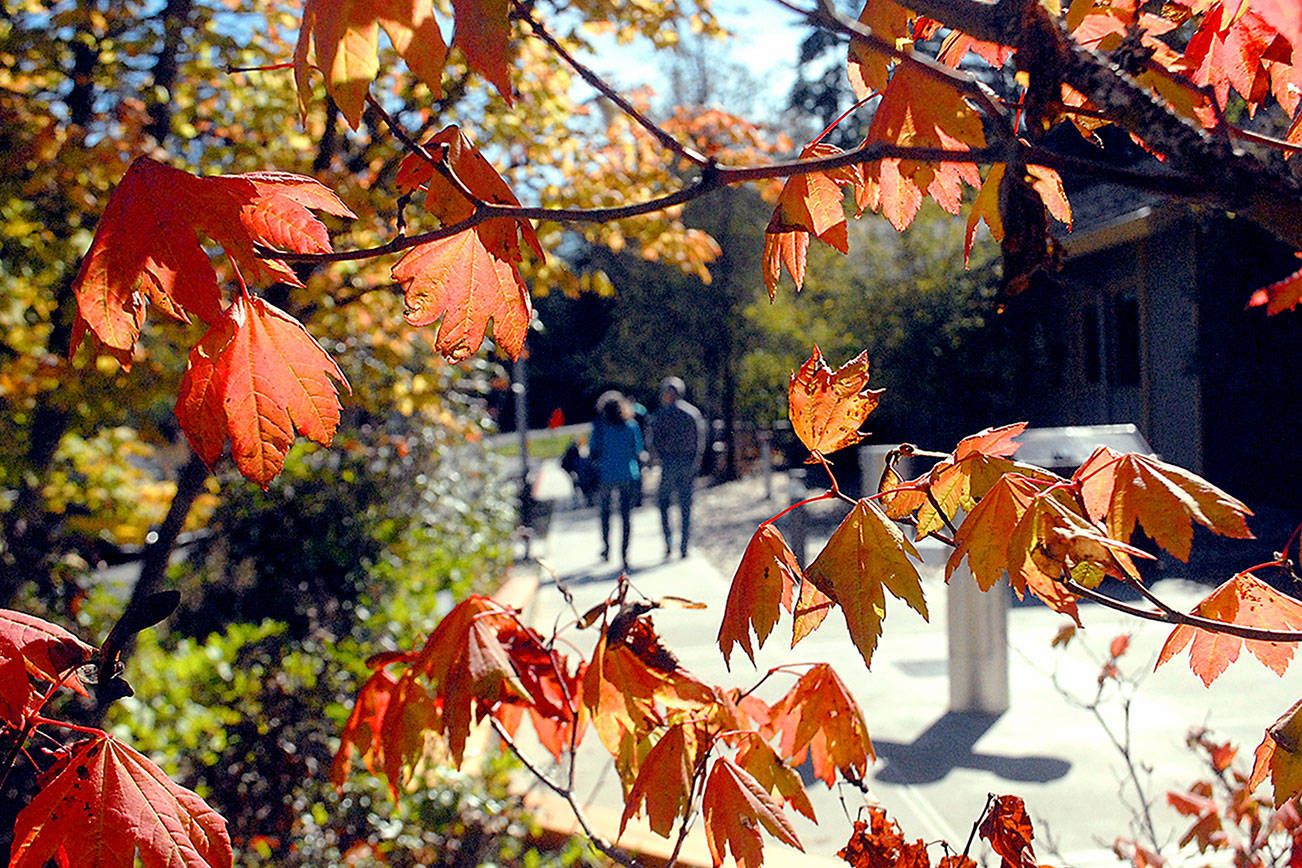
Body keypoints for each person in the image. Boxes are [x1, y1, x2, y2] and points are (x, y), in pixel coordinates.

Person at [648, 376, 706, 559]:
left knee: (664, 503)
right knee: (685, 506)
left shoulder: (661, 415)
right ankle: (683, 546)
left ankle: (668, 541)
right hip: (687, 463)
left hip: (670, 463)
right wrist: (696, 461)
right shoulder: (692, 413)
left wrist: (658, 459)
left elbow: (654, 442)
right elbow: (700, 441)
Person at [590, 390, 642, 570]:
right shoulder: (631, 426)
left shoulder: (600, 427)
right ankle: (624, 555)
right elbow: (637, 450)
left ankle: (606, 548)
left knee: (605, 514)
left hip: (606, 475)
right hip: (628, 474)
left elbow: (593, 450)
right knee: (626, 517)